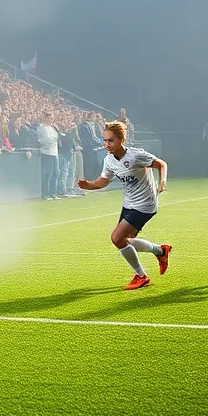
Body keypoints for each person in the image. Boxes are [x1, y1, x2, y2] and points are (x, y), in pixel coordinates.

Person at [76, 121, 171, 290]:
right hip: (129, 203)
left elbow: (161, 164)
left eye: (110, 140)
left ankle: (141, 276)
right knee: (126, 240)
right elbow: (103, 181)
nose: (107, 144)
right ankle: (160, 251)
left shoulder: (135, 155)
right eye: (105, 140)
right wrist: (89, 185)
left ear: (121, 139)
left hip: (145, 204)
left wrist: (162, 182)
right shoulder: (109, 160)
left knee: (116, 238)